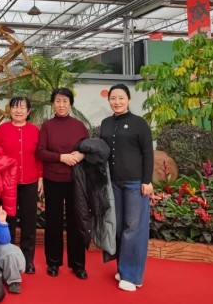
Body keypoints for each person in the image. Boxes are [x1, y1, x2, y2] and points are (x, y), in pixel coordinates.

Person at [99, 84, 153, 292]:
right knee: (119, 227)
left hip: (135, 183)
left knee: (134, 229)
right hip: (113, 183)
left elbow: (148, 153)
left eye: (121, 98)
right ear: (109, 100)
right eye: (113, 98)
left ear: (129, 99)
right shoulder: (106, 123)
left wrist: (147, 181)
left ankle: (132, 276)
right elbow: (102, 151)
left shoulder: (139, 123)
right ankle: (123, 268)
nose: (117, 102)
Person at [36, 87, 89, 280]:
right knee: (53, 221)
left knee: (76, 221)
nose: (61, 105)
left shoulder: (79, 126)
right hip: (53, 179)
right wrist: (61, 157)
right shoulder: (47, 126)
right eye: (58, 101)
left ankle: (78, 264)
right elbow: (41, 152)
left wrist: (81, 155)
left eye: (65, 101)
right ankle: (53, 262)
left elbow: (88, 148)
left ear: (70, 104)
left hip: (75, 180)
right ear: (53, 104)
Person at [0, 96, 42, 274]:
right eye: (15, 107)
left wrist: (40, 177)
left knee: (29, 221)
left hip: (30, 181)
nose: (18, 111)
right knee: (8, 221)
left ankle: (28, 260)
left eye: (22, 108)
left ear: (29, 111)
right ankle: (9, 257)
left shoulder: (35, 130)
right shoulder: (3, 129)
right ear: (10, 110)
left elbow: (39, 156)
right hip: (8, 184)